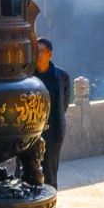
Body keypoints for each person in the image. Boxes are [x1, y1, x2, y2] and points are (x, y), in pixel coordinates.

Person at [34, 37, 71, 192]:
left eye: (41, 51)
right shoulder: (27, 74)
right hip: (30, 132)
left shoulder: (61, 77)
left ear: (50, 54)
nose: (38, 55)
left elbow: (64, 104)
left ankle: (49, 207)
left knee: (50, 174)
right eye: (35, 51)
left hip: (52, 133)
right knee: (25, 171)